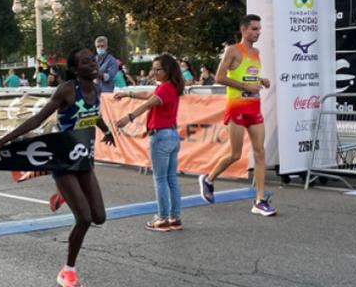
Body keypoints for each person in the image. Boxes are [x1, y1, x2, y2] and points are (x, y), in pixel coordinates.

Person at [0, 49, 116, 287]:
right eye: (86, 62)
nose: (93, 64)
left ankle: (64, 194)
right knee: (83, 218)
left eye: (94, 60)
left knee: (99, 217)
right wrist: (2, 142)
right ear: (74, 69)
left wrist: (106, 130)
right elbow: (37, 120)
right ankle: (68, 272)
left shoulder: (97, 89)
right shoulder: (67, 90)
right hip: (62, 160)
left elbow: (93, 115)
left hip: (83, 160)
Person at [198, 15, 276, 217]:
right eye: (253, 29)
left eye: (259, 29)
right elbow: (219, 77)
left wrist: (261, 80)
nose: (257, 33)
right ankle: (208, 179)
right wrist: (245, 86)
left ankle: (259, 200)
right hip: (236, 108)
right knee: (236, 154)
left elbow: (248, 76)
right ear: (243, 29)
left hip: (254, 108)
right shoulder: (233, 50)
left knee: (260, 152)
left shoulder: (257, 53)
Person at [115, 54, 184, 231]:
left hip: (161, 136)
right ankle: (174, 218)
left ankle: (162, 219)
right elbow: (148, 95)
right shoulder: (172, 87)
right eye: (153, 69)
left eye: (157, 69)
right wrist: (128, 93)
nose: (154, 72)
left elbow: (148, 103)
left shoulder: (164, 89)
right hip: (172, 136)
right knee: (171, 179)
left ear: (167, 70)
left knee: (160, 179)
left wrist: (127, 117)